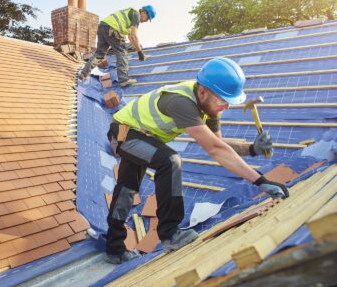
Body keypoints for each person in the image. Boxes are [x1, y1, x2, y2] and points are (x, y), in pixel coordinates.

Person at [104, 57, 289, 264]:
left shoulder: (209, 106)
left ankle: (114, 248)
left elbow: (218, 144)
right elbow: (216, 150)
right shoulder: (181, 102)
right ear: (202, 92)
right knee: (169, 161)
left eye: (229, 102)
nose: (226, 107)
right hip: (123, 134)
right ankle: (170, 234)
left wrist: (252, 149)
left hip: (143, 137)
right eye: (223, 100)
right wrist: (261, 181)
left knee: (127, 189)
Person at [80, 5, 156, 87]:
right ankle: (124, 80)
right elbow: (134, 35)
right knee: (122, 53)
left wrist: (137, 48)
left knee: (99, 54)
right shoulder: (136, 15)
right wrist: (140, 52)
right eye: (147, 18)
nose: (146, 21)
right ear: (144, 12)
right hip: (113, 29)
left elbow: (131, 37)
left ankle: (83, 74)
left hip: (103, 26)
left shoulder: (130, 14)